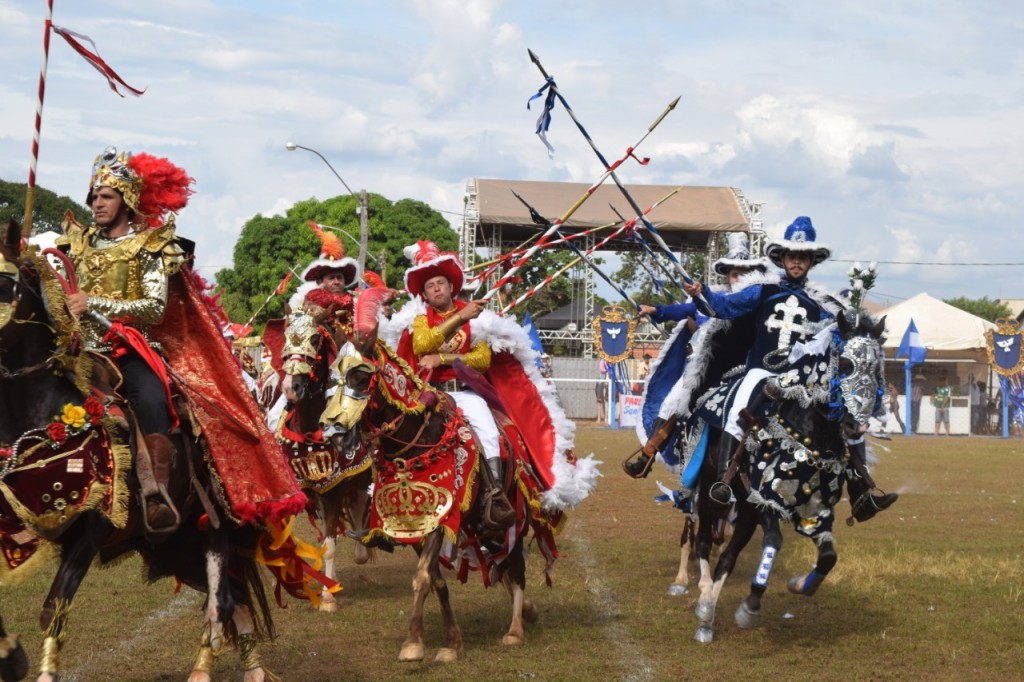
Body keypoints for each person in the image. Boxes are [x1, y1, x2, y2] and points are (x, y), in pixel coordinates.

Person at [63, 147, 303, 534]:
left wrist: (93, 303)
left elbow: (153, 308)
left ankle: (156, 490)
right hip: (77, 350)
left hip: (128, 349)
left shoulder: (150, 246)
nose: (96, 203)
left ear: (126, 201)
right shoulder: (75, 244)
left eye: (105, 196)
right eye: (93, 196)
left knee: (152, 398)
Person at [682, 217, 897, 521]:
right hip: (759, 371)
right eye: (791, 256)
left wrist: (860, 321)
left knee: (847, 416)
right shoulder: (762, 291)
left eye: (802, 257)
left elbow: (846, 333)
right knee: (736, 410)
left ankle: (862, 492)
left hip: (802, 378)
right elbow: (724, 308)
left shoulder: (822, 302)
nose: (796, 262)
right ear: (782, 258)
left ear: (811, 261)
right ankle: (723, 483)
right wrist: (701, 292)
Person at [626, 232, 766, 478]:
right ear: (727, 274)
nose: (738, 277)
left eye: (743, 273)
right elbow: (682, 309)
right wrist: (655, 310)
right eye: (734, 273)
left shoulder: (754, 299)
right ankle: (648, 453)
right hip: (702, 369)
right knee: (673, 400)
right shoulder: (711, 294)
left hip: (739, 369)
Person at [396, 241, 516, 528]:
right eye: (430, 286)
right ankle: (389, 499)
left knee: (487, 432)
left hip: (465, 394)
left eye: (440, 283)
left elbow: (482, 360)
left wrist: (444, 358)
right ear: (423, 294)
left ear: (451, 286)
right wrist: (460, 318)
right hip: (427, 393)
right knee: (397, 434)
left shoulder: (479, 318)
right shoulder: (420, 319)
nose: (436, 289)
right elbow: (422, 344)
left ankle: (494, 494)